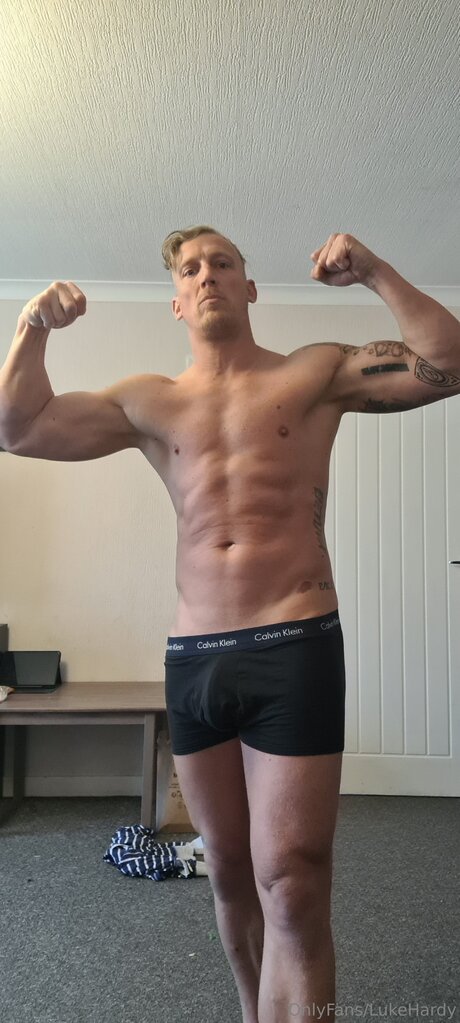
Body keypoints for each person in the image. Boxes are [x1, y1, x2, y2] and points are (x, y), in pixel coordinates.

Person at [1, 228, 459, 1022]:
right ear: (177, 302)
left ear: (249, 287)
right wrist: (31, 325)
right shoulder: (147, 400)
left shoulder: (312, 372)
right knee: (228, 872)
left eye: (223, 263)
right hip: (195, 657)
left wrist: (375, 270)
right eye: (190, 269)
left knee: (293, 877)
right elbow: (18, 428)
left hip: (293, 641)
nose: (206, 274)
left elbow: (446, 362)